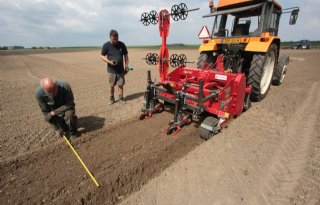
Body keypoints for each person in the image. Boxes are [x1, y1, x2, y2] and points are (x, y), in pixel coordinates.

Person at [100, 29, 129, 104]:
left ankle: (121, 98)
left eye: (116, 39)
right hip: (111, 70)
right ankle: (112, 98)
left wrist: (126, 66)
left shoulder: (122, 44)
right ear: (110, 37)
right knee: (112, 85)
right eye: (114, 39)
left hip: (120, 70)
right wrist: (109, 62)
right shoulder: (106, 45)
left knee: (120, 84)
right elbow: (102, 56)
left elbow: (126, 56)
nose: (115, 40)